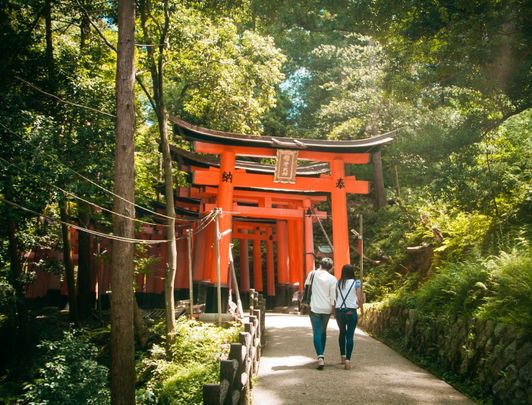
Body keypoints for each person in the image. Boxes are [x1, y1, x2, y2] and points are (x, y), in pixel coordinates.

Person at [304, 257, 337, 370]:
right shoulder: (333, 279)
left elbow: (306, 287)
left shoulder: (312, 274)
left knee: (316, 332)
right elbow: (333, 297)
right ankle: (321, 355)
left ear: (320, 265)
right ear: (331, 267)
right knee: (323, 331)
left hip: (315, 307)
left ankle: (320, 356)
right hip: (327, 308)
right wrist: (334, 311)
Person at [335, 263, 364, 370]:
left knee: (342, 332)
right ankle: (348, 360)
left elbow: (336, 297)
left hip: (339, 311)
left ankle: (342, 357)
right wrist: (361, 309)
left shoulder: (338, 283)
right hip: (351, 311)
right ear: (352, 272)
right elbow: (359, 297)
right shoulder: (356, 283)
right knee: (350, 336)